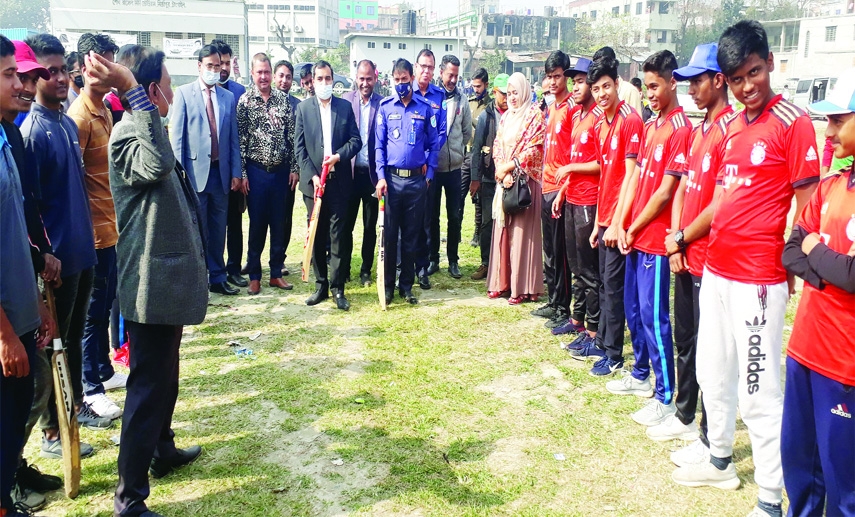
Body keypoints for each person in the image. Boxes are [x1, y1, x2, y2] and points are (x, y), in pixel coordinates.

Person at [671, 22, 820, 517]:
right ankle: (718, 462)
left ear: (771, 63)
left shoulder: (793, 122)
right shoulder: (732, 125)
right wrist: (689, 237)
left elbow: (809, 205)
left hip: (758, 279)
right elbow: (721, 196)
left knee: (758, 390)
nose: (746, 86)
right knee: (715, 373)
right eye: (735, 78)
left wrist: (795, 260)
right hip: (717, 270)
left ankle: (770, 499)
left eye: (753, 72)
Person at [89, 44, 206, 517]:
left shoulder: (146, 127)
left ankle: (163, 447)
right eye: (169, 85)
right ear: (152, 89)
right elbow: (155, 166)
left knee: (166, 375)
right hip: (149, 283)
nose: (173, 95)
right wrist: (133, 93)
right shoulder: (126, 135)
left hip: (167, 280)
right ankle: (129, 498)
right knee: (146, 387)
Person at [20, 34, 109, 457]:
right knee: (56, 347)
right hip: (57, 261)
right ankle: (54, 430)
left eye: (61, 70)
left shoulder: (66, 124)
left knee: (72, 341)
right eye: (47, 72)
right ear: (32, 75)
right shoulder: (33, 132)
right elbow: (31, 205)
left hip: (83, 249)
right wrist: (45, 256)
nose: (57, 79)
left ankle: (74, 412)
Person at [781, 70, 855, 516]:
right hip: (805, 349)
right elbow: (791, 251)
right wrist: (828, 264)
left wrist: (816, 251)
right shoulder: (830, 186)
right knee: (801, 469)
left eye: (839, 122)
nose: (827, 133)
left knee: (844, 484)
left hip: (843, 362)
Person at [606, 50, 690, 428]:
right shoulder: (652, 125)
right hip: (637, 237)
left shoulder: (680, 128)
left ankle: (666, 396)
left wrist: (634, 226)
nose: (651, 93)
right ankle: (640, 373)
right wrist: (622, 224)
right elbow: (636, 179)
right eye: (648, 86)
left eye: (656, 86)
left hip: (655, 240)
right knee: (634, 311)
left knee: (656, 319)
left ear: (673, 82)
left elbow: (664, 194)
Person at [657, 43, 732, 458]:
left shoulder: (729, 131)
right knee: (685, 338)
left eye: (697, 81)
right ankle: (684, 415)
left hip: (711, 259)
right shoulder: (699, 129)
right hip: (684, 252)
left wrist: (682, 237)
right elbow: (684, 186)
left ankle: (709, 433)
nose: (691, 90)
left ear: (718, 80)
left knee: (711, 351)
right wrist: (675, 240)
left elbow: (722, 201)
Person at [1, 35, 59, 514]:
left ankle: (12, 476)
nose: (24, 86)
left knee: (24, 400)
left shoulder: (9, 136)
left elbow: (20, 220)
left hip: (23, 298)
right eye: (12, 77)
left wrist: (36, 292)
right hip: (4, 322)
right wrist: (5, 334)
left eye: (27, 77)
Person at [65, 32, 128, 421]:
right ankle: (90, 388)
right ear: (89, 66)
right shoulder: (79, 117)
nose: (112, 71)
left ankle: (103, 369)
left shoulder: (103, 107)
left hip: (112, 226)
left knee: (104, 305)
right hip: (93, 233)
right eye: (105, 63)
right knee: (90, 314)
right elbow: (76, 184)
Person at [576, 54, 643, 376]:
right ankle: (602, 341)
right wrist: (600, 223)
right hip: (605, 219)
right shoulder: (604, 123)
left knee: (614, 289)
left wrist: (617, 222)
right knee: (604, 284)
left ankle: (614, 354)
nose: (602, 94)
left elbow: (632, 176)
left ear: (617, 85)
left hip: (621, 220)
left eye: (606, 87)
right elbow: (607, 176)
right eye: (597, 88)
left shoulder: (630, 120)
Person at [170, 44, 242, 297]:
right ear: (199, 66)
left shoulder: (227, 97)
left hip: (220, 174)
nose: (214, 70)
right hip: (193, 175)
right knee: (197, 230)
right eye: (209, 65)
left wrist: (236, 172)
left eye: (218, 65)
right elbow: (177, 140)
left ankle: (218, 276)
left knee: (218, 227)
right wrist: (178, 177)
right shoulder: (184, 94)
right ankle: (197, 280)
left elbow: (233, 139)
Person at [294, 60, 361, 310]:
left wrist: (339, 156)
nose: (324, 83)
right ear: (312, 81)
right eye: (319, 79)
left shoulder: (344, 107)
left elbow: (356, 141)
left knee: (337, 237)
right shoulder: (303, 109)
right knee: (317, 235)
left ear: (333, 80)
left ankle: (338, 288)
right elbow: (299, 147)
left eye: (327, 78)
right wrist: (311, 175)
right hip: (314, 186)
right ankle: (320, 285)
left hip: (339, 183)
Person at [374, 58, 439, 305]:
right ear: (393, 80)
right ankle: (388, 286)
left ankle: (406, 286)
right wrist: (380, 177)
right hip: (390, 181)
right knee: (390, 237)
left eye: (404, 79)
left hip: (416, 183)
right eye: (397, 80)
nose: (401, 84)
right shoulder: (386, 107)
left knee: (412, 236)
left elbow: (434, 145)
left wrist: (430, 175)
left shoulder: (424, 108)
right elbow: (378, 146)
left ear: (412, 78)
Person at [550, 58, 602, 351]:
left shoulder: (597, 118)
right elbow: (575, 161)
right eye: (575, 81)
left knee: (588, 271)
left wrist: (570, 171)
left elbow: (600, 164)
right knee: (576, 267)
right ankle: (578, 320)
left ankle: (593, 333)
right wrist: (563, 191)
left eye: (581, 81)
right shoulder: (578, 116)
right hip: (572, 198)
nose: (575, 87)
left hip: (589, 202)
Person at [237, 53, 298, 295]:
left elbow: (291, 139)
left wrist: (294, 169)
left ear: (271, 74)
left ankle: (275, 274)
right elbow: (241, 141)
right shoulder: (245, 102)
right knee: (257, 225)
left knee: (279, 223)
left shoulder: (283, 101)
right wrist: (242, 174)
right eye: (259, 72)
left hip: (281, 171)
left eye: (266, 72)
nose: (263, 76)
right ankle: (254, 275)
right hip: (256, 172)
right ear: (252, 73)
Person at [485, 72, 545, 304]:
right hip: (506, 181)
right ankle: (502, 283)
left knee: (521, 235)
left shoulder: (535, 116)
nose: (511, 98)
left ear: (525, 92)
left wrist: (511, 168)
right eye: (508, 94)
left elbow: (534, 150)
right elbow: (497, 145)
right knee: (502, 231)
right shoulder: (506, 117)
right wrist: (501, 171)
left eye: (515, 93)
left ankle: (522, 288)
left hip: (524, 183)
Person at [534, 51, 574, 329]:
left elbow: (575, 154)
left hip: (561, 189)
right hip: (545, 185)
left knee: (561, 253)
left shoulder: (572, 108)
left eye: (557, 76)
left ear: (566, 77)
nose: (552, 82)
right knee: (549, 249)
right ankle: (553, 300)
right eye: (549, 77)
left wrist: (565, 187)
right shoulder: (551, 108)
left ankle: (563, 307)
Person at [428, 54, 471, 280]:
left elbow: (466, 133)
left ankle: (453, 260)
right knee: (432, 215)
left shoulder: (463, 99)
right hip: (433, 169)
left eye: (456, 75)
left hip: (455, 168)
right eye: (449, 74)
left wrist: (455, 151)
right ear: (441, 73)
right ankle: (433, 258)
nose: (453, 79)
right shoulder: (432, 97)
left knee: (454, 215)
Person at [211, 38, 249, 289]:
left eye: (227, 62)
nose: (223, 67)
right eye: (219, 62)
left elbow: (242, 137)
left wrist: (240, 172)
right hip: (210, 171)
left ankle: (233, 267)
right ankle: (212, 270)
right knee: (212, 224)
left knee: (234, 223)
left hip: (234, 171)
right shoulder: (200, 90)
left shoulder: (239, 92)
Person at [342, 59, 383, 287]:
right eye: (361, 78)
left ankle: (366, 271)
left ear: (375, 78)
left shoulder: (382, 104)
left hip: (371, 176)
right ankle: (345, 268)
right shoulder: (346, 101)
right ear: (355, 78)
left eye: (369, 79)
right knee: (346, 225)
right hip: (349, 174)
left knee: (370, 227)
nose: (365, 83)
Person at [413, 48, 447, 289]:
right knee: (407, 221)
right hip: (408, 168)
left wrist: (427, 159)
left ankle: (423, 267)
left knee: (427, 220)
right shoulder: (406, 91)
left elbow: (441, 132)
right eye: (422, 66)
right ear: (416, 67)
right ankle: (404, 265)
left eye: (430, 67)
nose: (426, 71)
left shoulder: (439, 96)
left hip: (428, 170)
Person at [469, 74, 508, 281]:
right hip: (488, 176)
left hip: (509, 178)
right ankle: (486, 262)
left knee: (507, 221)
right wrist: (475, 178)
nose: (507, 97)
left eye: (509, 93)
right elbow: (476, 149)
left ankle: (504, 263)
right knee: (486, 222)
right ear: (494, 92)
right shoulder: (487, 115)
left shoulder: (515, 113)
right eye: (503, 93)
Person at [273, 59, 302, 277]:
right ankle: (254, 260)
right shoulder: (264, 102)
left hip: (288, 171)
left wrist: (296, 169)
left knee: (285, 216)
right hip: (265, 170)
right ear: (275, 77)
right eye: (281, 76)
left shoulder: (297, 105)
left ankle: (280, 258)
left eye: (288, 77)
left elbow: (298, 142)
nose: (284, 80)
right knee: (262, 217)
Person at [462, 67, 490, 248]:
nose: (475, 89)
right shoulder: (469, 102)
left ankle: (477, 233)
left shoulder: (491, 105)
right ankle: (454, 232)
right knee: (459, 195)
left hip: (481, 156)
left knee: (478, 200)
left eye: (479, 86)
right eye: (473, 86)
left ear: (486, 85)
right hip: (466, 154)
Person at [593, 47, 642, 113]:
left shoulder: (630, 91)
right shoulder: (595, 92)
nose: (600, 68)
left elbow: (636, 121)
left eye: (604, 64)